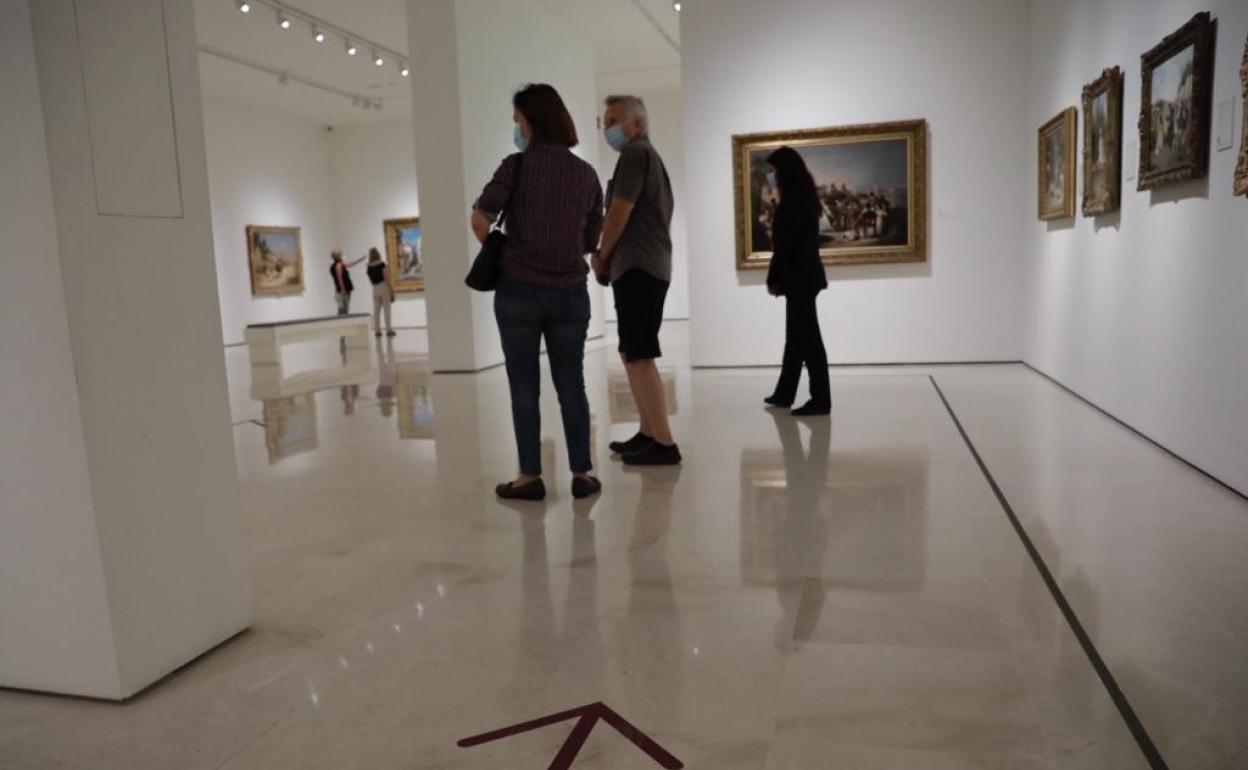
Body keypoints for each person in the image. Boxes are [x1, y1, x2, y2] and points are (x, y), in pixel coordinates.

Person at [471, 83, 605, 502]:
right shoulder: (586, 174)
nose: (517, 127)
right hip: (569, 292)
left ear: (532, 121)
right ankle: (582, 474)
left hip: (518, 291)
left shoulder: (516, 166)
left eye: (518, 120)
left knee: (523, 386)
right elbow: (589, 239)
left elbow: (481, 216)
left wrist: (501, 248)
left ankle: (529, 476)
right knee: (572, 384)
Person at [593, 95, 681, 466]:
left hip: (639, 267)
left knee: (640, 354)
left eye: (613, 120)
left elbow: (618, 213)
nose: (606, 128)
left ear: (637, 125)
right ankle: (648, 432)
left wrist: (602, 254)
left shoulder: (635, 155)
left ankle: (664, 442)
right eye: (604, 121)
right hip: (645, 266)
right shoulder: (648, 158)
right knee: (632, 352)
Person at [764, 146, 831, 416]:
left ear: (784, 173)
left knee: (808, 339)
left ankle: (821, 399)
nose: (771, 177)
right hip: (805, 276)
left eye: (774, 172)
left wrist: (773, 277)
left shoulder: (792, 203)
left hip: (799, 277)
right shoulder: (804, 199)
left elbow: (784, 248)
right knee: (797, 337)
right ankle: (785, 392)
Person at [365, 247, 396, 337]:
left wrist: (375, 286)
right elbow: (386, 278)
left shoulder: (368, 267)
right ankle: (388, 330)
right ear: (378, 254)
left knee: (376, 311)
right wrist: (391, 291)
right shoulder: (382, 264)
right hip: (383, 287)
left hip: (375, 288)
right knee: (387, 309)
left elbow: (370, 281)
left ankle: (377, 331)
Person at [330, 250, 365, 315]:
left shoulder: (337, 265)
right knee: (344, 308)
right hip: (344, 289)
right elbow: (339, 278)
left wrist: (361, 259)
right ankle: (342, 322)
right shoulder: (338, 265)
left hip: (343, 288)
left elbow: (352, 264)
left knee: (343, 307)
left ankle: (342, 321)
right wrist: (343, 289)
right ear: (338, 256)